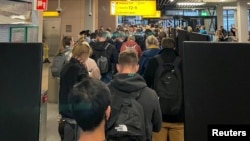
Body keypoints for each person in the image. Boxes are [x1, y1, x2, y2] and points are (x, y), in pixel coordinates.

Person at [107, 50, 162, 141]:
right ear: (137, 68)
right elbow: (157, 126)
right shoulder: (151, 94)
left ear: (117, 67)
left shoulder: (105, 91)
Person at [143, 37, 184, 141]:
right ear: (175, 47)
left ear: (161, 46)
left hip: (158, 116)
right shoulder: (182, 62)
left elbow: (146, 83)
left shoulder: (154, 62)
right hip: (178, 115)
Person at [58, 38, 92, 141]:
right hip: (76, 112)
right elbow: (86, 89)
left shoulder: (66, 66)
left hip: (65, 108)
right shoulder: (80, 69)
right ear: (84, 55)